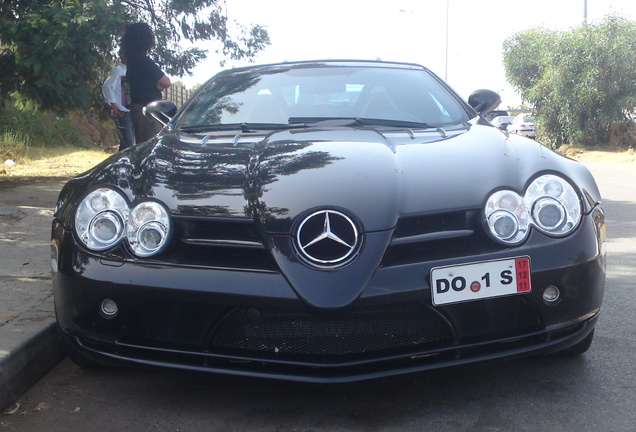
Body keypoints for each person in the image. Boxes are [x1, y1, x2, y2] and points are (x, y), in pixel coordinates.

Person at [120, 22, 171, 144]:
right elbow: (166, 82)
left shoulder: (132, 62)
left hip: (136, 108)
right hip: (148, 112)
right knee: (151, 147)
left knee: (142, 145)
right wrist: (159, 84)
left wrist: (157, 84)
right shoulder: (145, 62)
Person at [101, 49, 134, 150]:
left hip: (131, 111)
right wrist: (114, 107)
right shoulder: (118, 70)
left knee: (128, 144)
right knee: (127, 143)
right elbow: (107, 86)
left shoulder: (132, 70)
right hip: (122, 112)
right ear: (122, 56)